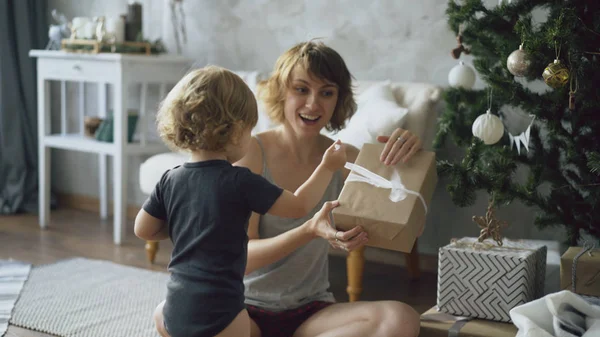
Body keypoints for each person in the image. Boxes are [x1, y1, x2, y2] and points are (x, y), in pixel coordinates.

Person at [133, 65, 348, 337]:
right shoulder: (240, 181)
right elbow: (299, 206)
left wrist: (185, 222)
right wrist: (327, 167)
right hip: (223, 312)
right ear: (235, 130)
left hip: (176, 306)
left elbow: (143, 229)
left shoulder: (170, 179)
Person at [235, 41, 423, 337]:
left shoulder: (345, 156)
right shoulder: (252, 153)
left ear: (338, 99)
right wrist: (308, 230)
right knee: (178, 313)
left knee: (402, 319)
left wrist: (407, 155)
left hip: (312, 312)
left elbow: (399, 210)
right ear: (281, 91)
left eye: (326, 93)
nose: (313, 104)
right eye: (301, 89)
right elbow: (239, 259)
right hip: (245, 309)